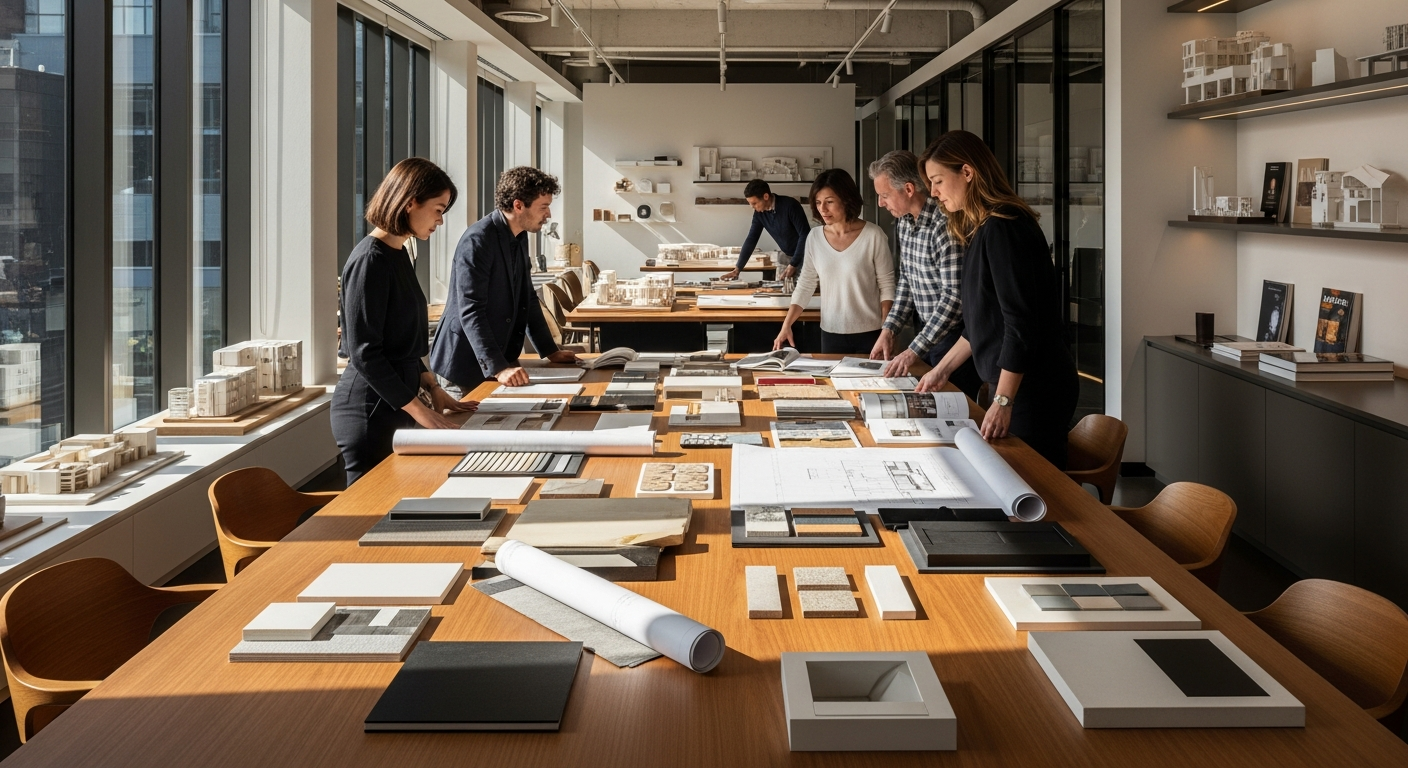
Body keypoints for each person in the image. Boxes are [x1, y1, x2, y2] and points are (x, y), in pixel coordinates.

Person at [916, 130, 1078, 467]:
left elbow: (1020, 324)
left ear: (968, 173)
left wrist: (1003, 400)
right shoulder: (985, 228)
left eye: (938, 181)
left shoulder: (1004, 227)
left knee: (1035, 493)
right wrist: (941, 371)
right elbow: (982, 322)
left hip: (1033, 390)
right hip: (1017, 388)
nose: (932, 193)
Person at [332, 158, 476, 486]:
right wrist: (421, 411)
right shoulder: (370, 260)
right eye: (438, 209)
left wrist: (433, 388)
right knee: (373, 516)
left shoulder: (398, 253)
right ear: (411, 202)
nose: (440, 220)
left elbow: (403, 340)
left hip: (399, 401)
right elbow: (365, 353)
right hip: (370, 408)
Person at [431, 166, 578, 393]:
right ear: (518, 205)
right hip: (464, 365)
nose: (548, 215)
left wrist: (550, 350)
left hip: (499, 363)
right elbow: (471, 310)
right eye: (544, 207)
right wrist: (499, 368)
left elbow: (526, 297)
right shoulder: (478, 241)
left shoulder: (519, 236)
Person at [865, 150, 982, 401]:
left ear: (908, 189)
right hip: (927, 334)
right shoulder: (904, 223)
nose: (881, 203)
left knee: (954, 414)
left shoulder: (945, 225)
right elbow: (906, 280)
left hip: (954, 341)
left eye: (885, 195)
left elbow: (954, 299)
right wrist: (890, 329)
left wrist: (913, 350)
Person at [773, 169, 895, 354]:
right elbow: (805, 284)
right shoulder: (814, 237)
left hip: (871, 334)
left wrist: (887, 332)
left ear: (847, 200)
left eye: (829, 202)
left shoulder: (873, 235)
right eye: (818, 202)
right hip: (830, 333)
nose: (823, 209)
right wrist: (786, 325)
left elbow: (887, 287)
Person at [719, 180, 813, 281]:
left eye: (754, 203)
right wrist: (738, 269)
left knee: (804, 292)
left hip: (806, 256)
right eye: (750, 203)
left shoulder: (790, 205)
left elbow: (805, 235)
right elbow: (752, 239)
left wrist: (793, 264)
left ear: (766, 197)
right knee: (782, 292)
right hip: (786, 256)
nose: (752, 207)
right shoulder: (759, 214)